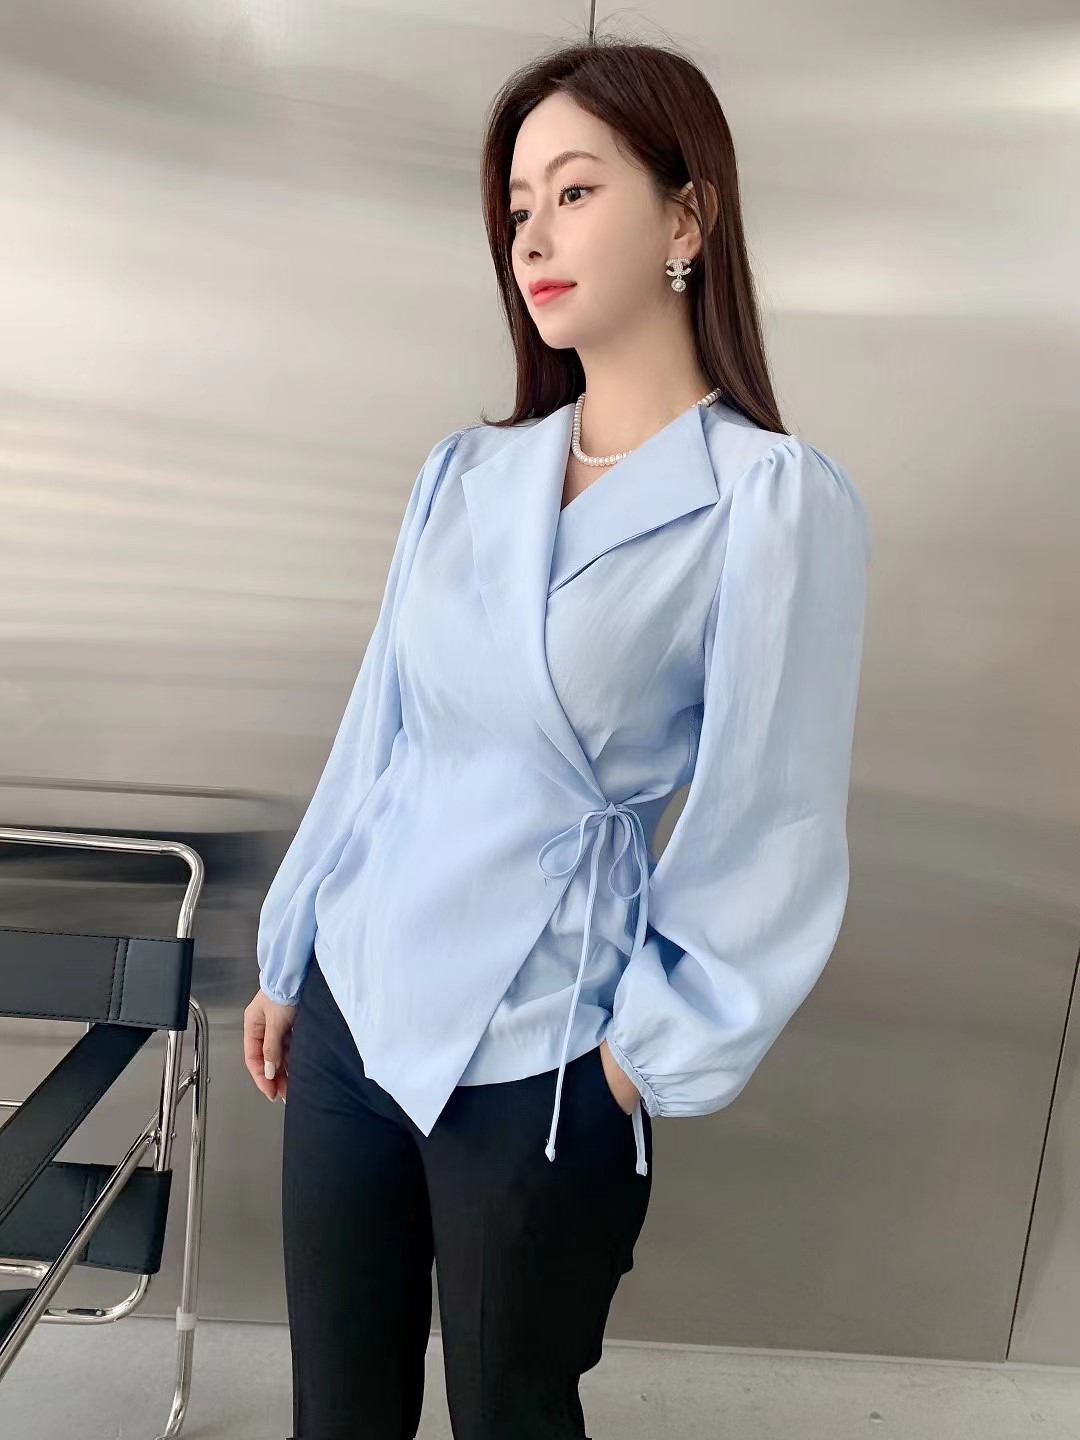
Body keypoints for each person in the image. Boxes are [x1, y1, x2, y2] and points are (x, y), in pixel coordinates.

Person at [242, 34, 870, 1440]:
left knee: (511, 1414)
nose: (532, 237)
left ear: (687, 218)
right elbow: (382, 727)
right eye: (517, 206)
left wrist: (638, 1063)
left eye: (575, 192)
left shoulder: (770, 502)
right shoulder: (468, 472)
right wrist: (292, 947)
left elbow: (770, 817)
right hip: (353, 1006)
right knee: (335, 1414)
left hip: (541, 1052)